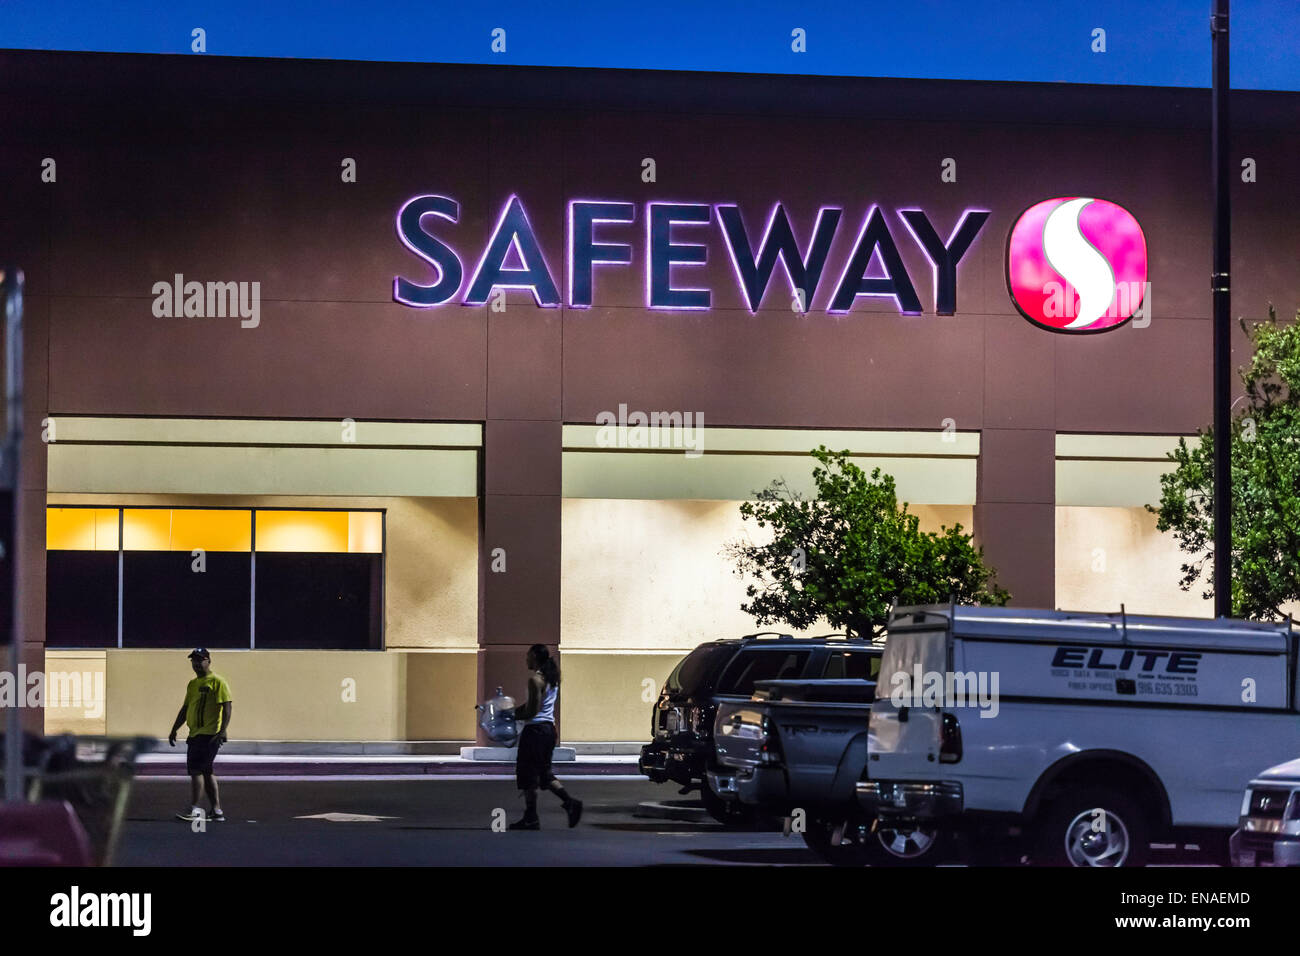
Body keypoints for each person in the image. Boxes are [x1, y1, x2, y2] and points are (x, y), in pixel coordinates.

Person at [509, 644, 582, 830]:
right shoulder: (551, 679)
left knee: (527, 776)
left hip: (535, 732)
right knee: (543, 773)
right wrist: (513, 711)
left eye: (527, 656)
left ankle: (531, 817)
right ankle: (569, 803)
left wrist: (510, 715)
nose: (525, 659)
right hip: (548, 730)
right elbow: (533, 705)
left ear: (534, 656)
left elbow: (531, 712)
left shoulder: (535, 680)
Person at [168, 648, 233, 823]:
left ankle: (195, 809)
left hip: (209, 734)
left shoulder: (218, 682)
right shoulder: (193, 684)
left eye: (200, 660)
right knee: (206, 771)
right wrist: (174, 729)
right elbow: (186, 708)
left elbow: (226, 706)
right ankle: (216, 810)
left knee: (196, 770)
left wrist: (223, 730)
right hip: (195, 733)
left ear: (208, 661)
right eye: (194, 661)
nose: (196, 664)